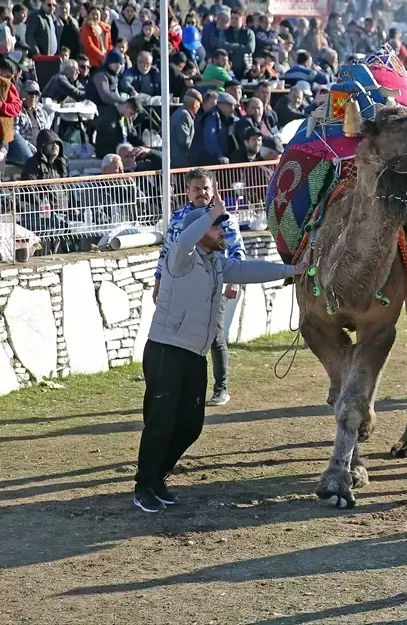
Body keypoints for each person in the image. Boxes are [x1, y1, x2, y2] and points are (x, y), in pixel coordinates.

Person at [134, 196, 302, 513]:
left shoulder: (215, 263)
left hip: (194, 357)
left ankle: (157, 476)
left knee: (191, 426)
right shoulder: (180, 256)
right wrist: (210, 213)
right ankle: (144, 486)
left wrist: (293, 269)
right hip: (165, 352)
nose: (224, 231)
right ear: (200, 232)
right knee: (160, 423)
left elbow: (248, 269)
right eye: (217, 227)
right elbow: (184, 238)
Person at [153, 167, 246, 406]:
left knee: (214, 335)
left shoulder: (224, 218)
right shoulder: (177, 218)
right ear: (187, 192)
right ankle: (182, 387)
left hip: (212, 284)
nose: (201, 193)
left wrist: (234, 280)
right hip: (181, 288)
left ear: (213, 189)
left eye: (206, 188)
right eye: (196, 189)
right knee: (181, 336)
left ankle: (221, 387)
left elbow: (237, 250)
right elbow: (166, 253)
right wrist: (158, 283)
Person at [169, 90, 201, 169]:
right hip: (181, 162)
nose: (199, 107)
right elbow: (184, 141)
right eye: (199, 104)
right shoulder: (184, 115)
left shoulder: (180, 113)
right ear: (194, 104)